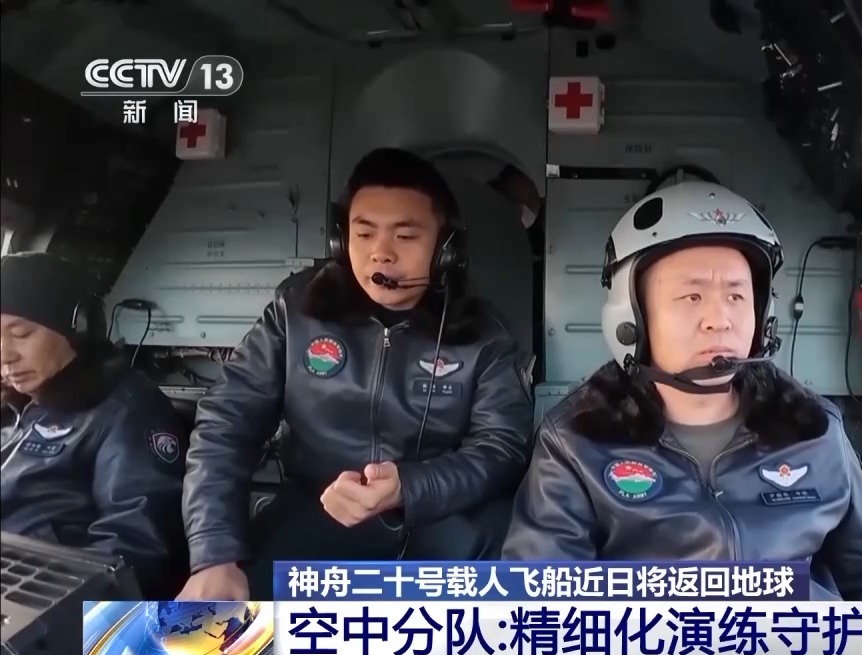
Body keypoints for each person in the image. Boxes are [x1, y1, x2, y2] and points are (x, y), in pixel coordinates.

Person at [502, 181, 862, 601]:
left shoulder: (812, 428)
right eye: (692, 296)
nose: (720, 319)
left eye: (737, 296)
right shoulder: (577, 442)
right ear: (632, 317)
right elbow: (542, 605)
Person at [178, 148, 534, 600]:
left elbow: (502, 447)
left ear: (446, 249)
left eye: (405, 236)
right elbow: (227, 423)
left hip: (445, 517)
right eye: (364, 234)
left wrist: (410, 487)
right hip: (317, 509)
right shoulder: (295, 311)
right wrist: (214, 555)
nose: (380, 254)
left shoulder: (484, 335)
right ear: (340, 240)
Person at [0, 252, 187, 597]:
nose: (4, 354)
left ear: (80, 329)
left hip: (47, 596)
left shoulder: (126, 411)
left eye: (21, 334)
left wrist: (35, 600)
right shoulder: (18, 404)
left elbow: (135, 547)